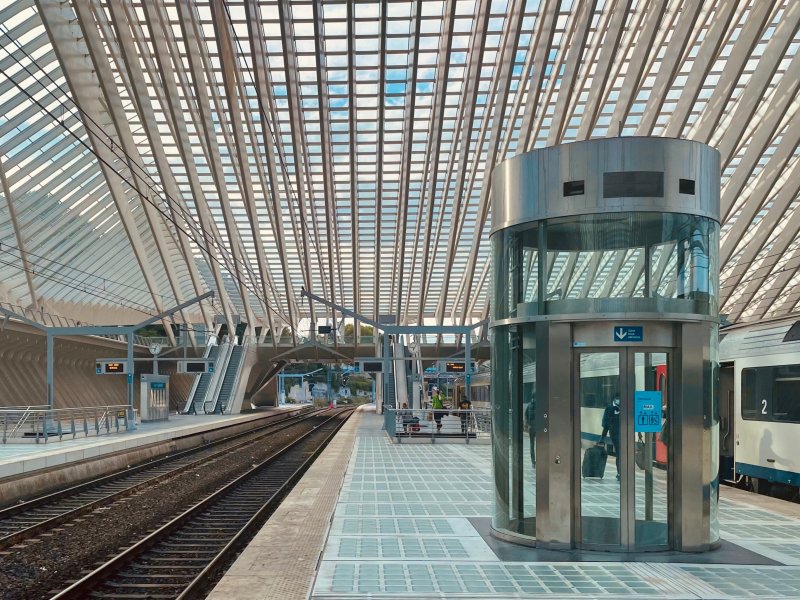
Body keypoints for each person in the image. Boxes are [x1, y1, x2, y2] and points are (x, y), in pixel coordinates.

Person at [601, 395, 622, 480]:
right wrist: (602, 438)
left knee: (621, 453)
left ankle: (621, 472)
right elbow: (606, 424)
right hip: (615, 434)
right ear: (614, 399)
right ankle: (620, 472)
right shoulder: (609, 408)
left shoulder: (626, 406)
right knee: (620, 453)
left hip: (625, 433)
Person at [525, 395, 536, 467]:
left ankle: (533, 462)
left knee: (532, 444)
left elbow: (525, 415)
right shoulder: (539, 404)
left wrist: (527, 425)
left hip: (531, 428)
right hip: (538, 427)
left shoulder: (529, 405)